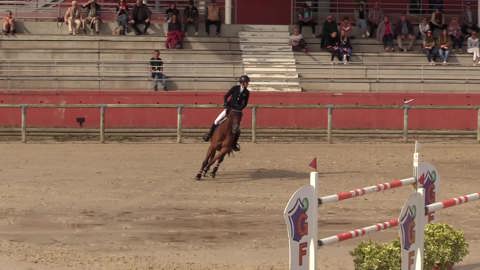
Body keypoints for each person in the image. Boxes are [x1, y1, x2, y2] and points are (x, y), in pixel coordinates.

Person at [202, 75, 250, 152]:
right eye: (247, 82)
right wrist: (225, 103)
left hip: (237, 112)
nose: (248, 84)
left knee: (238, 129)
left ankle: (234, 144)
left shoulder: (247, 92)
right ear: (242, 83)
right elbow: (226, 95)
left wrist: (239, 108)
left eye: (247, 82)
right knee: (216, 121)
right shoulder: (235, 88)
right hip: (229, 109)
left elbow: (245, 103)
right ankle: (209, 135)